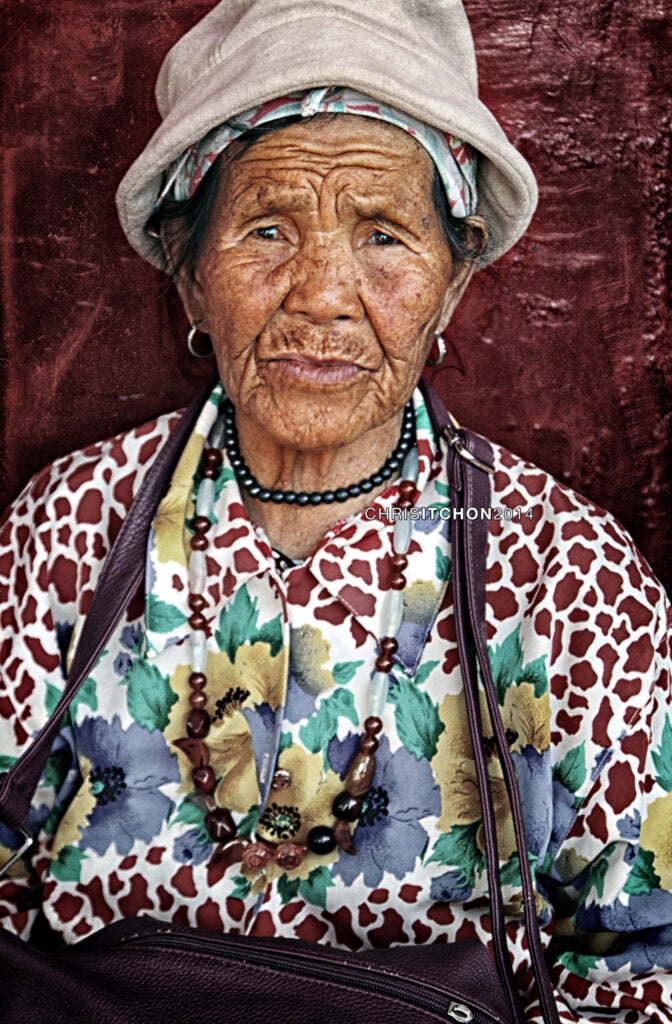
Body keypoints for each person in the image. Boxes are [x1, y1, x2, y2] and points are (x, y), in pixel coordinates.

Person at [0, 1, 670, 1021]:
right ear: (188, 274)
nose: (321, 293)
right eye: (267, 228)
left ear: (452, 284)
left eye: (385, 235)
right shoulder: (70, 527)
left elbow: (638, 966)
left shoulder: (570, 570)